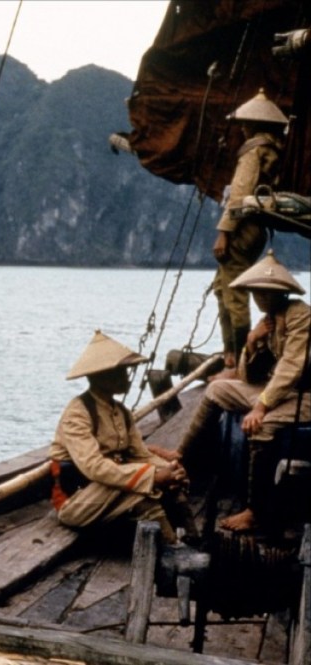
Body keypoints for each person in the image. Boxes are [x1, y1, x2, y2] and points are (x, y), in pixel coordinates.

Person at [177, 251, 309, 532]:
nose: (258, 297)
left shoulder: (299, 316)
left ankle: (255, 510)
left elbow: (291, 367)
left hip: (304, 396)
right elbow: (250, 376)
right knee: (217, 389)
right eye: (255, 292)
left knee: (261, 425)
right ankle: (181, 456)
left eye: (264, 291)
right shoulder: (269, 320)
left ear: (278, 292)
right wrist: (252, 342)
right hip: (280, 392)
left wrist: (261, 407)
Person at [50, 331, 192, 544]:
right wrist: (153, 476)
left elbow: (141, 455)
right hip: (77, 500)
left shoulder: (121, 411)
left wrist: (170, 469)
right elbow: (94, 467)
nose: (128, 377)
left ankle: (185, 539)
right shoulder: (77, 413)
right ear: (102, 376)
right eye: (122, 371)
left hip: (106, 488)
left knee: (159, 484)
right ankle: (171, 545)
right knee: (142, 490)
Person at [212, 89, 288, 369]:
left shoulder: (254, 150)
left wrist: (224, 232)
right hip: (256, 228)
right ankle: (231, 353)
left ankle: (238, 357)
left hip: (243, 227)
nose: (242, 127)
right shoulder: (274, 148)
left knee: (233, 292)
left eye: (245, 122)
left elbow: (239, 194)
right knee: (221, 287)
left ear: (255, 124)